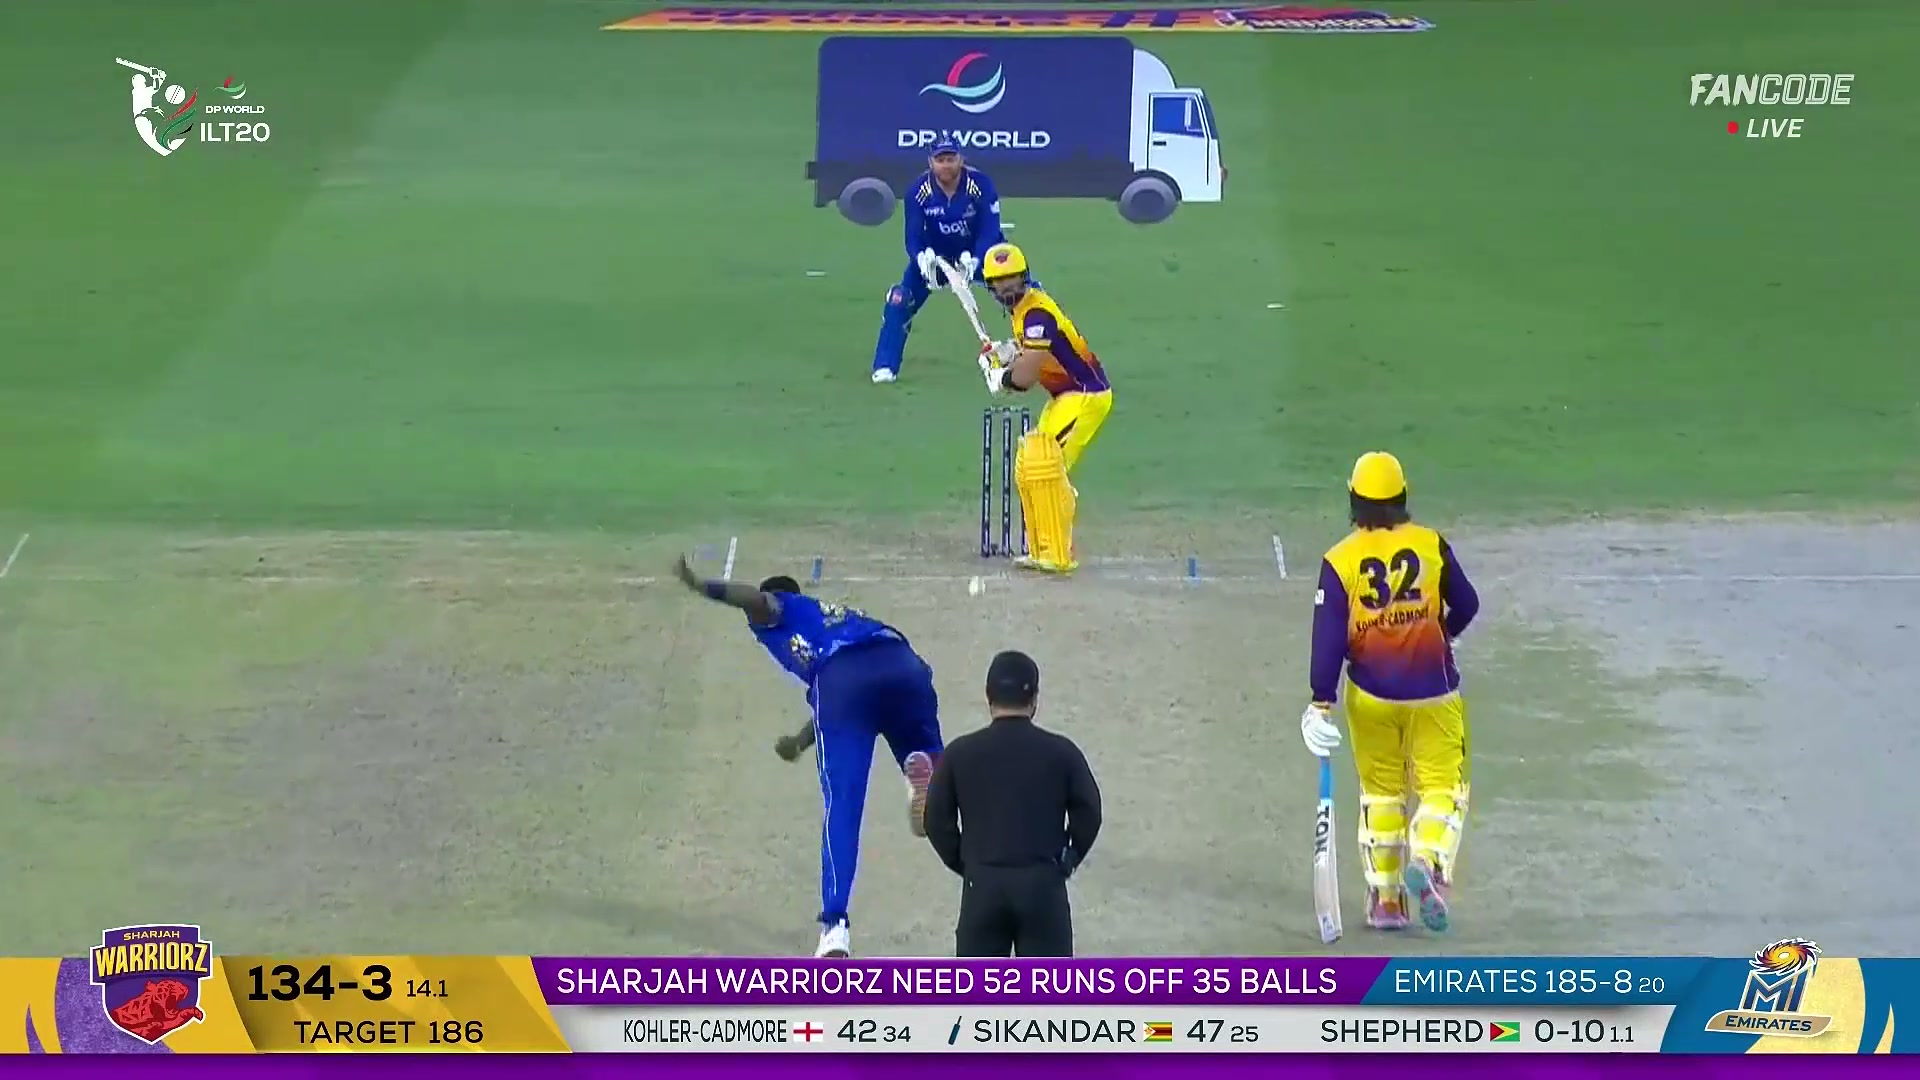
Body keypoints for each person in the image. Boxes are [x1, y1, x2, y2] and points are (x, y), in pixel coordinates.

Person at [671, 554, 944, 959]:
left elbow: (757, 602)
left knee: (842, 806)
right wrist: (800, 743)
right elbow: (838, 703)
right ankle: (934, 782)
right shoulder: (835, 618)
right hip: (904, 664)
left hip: (843, 683)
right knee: (923, 748)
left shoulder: (780, 610)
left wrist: (702, 586)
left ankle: (835, 929)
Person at [1299, 452, 1480, 933]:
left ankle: (1386, 901)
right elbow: (1467, 603)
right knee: (1442, 787)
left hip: (1371, 696)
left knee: (1382, 794)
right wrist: (1442, 634)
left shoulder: (1340, 559)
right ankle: (1428, 857)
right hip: (1434, 692)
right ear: (1402, 496)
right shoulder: (1430, 544)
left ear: (1353, 500)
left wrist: (1320, 701)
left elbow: (1328, 638)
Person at [923, 650, 1101, 957]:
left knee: (978, 985)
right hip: (1042, 885)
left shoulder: (959, 753)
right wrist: (1070, 856)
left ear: (988, 696)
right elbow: (1089, 812)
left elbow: (935, 820)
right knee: (1049, 985)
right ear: (1034, 699)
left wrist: (966, 862)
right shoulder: (1062, 752)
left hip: (983, 886)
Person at [977, 243, 1114, 575]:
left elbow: (1025, 379)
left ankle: (1060, 553)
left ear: (1024, 276)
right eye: (999, 281)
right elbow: (1032, 352)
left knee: (1047, 469)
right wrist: (1007, 353)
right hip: (1063, 398)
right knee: (1029, 467)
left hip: (1085, 396)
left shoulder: (1036, 313)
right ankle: (1041, 550)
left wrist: (1001, 377)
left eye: (1012, 278)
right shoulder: (1023, 311)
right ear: (991, 286)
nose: (1007, 287)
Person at [871, 137, 1005, 385]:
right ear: (930, 162)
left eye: (951, 159)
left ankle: (1044, 349)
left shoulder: (980, 185)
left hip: (978, 256)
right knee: (899, 299)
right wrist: (922, 258)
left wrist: (976, 259)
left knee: (1022, 289)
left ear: (961, 159)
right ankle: (884, 367)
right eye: (940, 160)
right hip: (936, 260)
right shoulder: (918, 191)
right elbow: (912, 236)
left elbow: (990, 229)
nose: (946, 165)